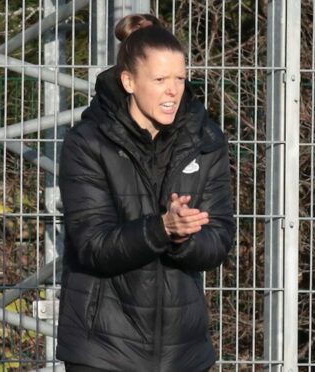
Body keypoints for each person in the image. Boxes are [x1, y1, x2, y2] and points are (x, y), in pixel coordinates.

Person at [56, 13, 234, 372]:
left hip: (184, 355)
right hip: (103, 352)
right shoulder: (88, 143)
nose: (173, 90)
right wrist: (162, 229)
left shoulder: (206, 141)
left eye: (180, 79)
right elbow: (93, 245)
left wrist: (184, 239)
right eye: (160, 79)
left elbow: (219, 239)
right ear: (128, 81)